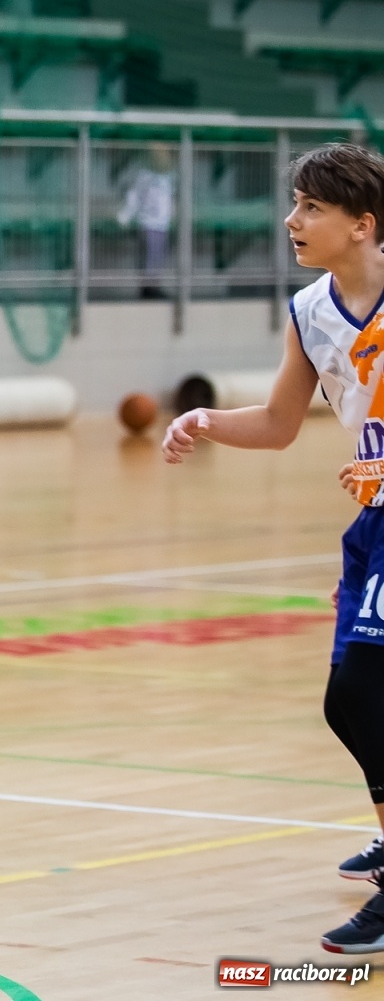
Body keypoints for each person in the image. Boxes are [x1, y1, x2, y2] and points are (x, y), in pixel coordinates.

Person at [163, 143, 384, 955]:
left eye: (312, 208)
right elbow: (284, 423)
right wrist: (208, 422)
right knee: (359, 691)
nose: (292, 221)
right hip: (371, 524)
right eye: (294, 204)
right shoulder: (311, 310)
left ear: (362, 226)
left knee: (359, 692)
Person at [115, 144, 175, 299]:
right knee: (148, 257)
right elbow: (134, 198)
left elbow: (168, 201)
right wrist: (124, 217)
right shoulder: (143, 177)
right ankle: (147, 289)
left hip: (162, 224)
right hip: (148, 223)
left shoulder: (168, 178)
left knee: (158, 256)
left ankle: (154, 286)